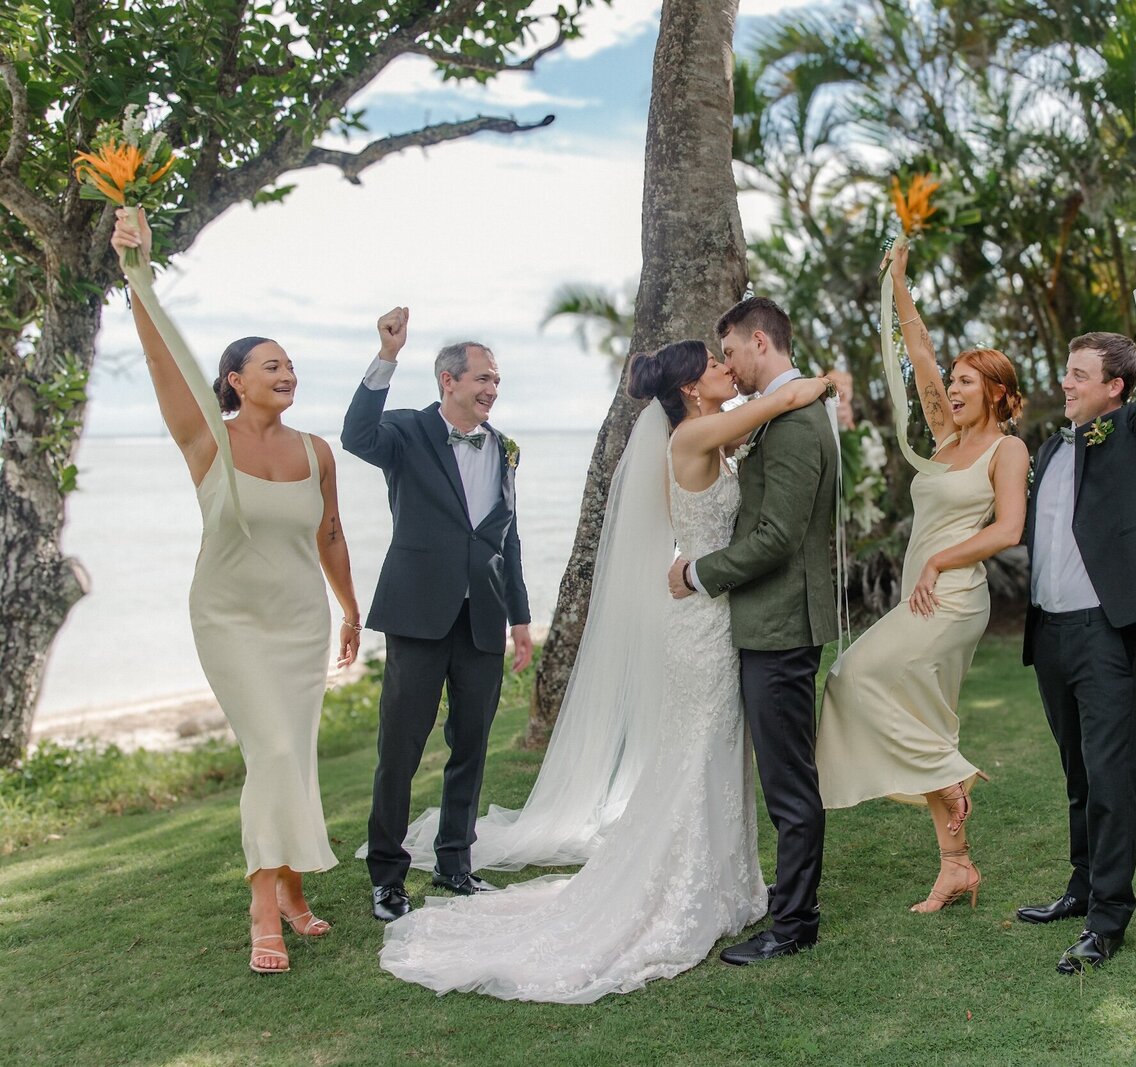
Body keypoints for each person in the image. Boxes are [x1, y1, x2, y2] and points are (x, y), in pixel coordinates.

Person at [378, 342, 831, 1002]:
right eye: (713, 365)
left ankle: (723, 879)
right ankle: (685, 890)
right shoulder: (699, 431)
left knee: (708, 755)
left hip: (707, 611)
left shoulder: (697, 431)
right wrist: (828, 379)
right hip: (704, 624)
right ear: (691, 389)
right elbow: (785, 397)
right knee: (702, 754)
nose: (725, 371)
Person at [112, 208, 358, 975]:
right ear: (234, 381)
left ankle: (289, 885)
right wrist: (137, 279)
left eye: (291, 365)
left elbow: (330, 535)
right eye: (271, 365)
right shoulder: (206, 441)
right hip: (229, 619)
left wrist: (351, 608)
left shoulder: (317, 450)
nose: (286, 374)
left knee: (290, 755)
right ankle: (264, 906)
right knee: (275, 748)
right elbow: (163, 367)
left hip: (301, 620)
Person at [814, 241, 1029, 913]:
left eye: (967, 382)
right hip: (923, 592)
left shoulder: (1007, 447)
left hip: (955, 594)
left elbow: (1009, 530)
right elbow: (920, 351)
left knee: (853, 675)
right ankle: (956, 865)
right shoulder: (943, 437)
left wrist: (940, 557)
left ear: (994, 390)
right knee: (924, 714)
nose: (952, 389)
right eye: (952, 382)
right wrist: (899, 282)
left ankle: (950, 774)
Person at [1015, 211, 1136, 975]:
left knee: (1113, 775)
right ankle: (1081, 889)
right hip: (1050, 630)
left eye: (1079, 375)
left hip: (1108, 631)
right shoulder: (1053, 446)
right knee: (1077, 770)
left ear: (1114, 386)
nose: (1066, 383)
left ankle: (1110, 916)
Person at [342, 311, 534, 922]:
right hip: (418, 614)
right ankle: (387, 878)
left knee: (471, 746)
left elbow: (509, 538)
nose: (491, 389)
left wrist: (521, 618)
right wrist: (387, 355)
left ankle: (456, 864)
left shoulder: (502, 447)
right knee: (399, 749)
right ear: (448, 381)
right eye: (482, 378)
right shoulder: (405, 433)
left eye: (496, 381)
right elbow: (356, 435)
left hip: (483, 617)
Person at [668, 297, 840, 966]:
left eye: (732, 352)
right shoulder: (782, 412)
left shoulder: (794, 421)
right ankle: (789, 905)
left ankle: (795, 922)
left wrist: (698, 574)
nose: (729, 366)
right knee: (784, 775)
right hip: (770, 622)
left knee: (789, 782)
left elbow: (776, 538)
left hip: (780, 624)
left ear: (760, 342)